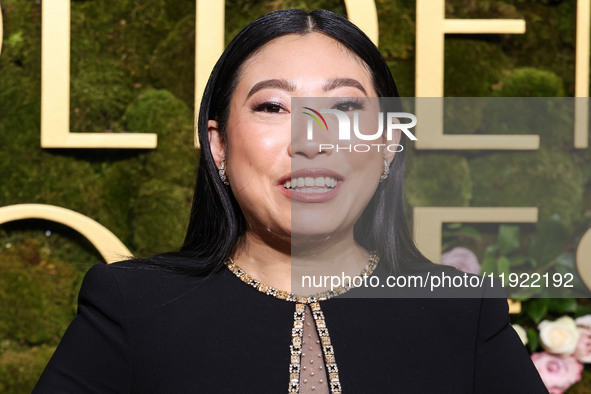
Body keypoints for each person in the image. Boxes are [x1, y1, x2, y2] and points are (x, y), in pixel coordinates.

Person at [32, 8, 548, 394]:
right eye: (274, 106)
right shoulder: (131, 305)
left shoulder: (461, 311)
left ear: (388, 143)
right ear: (218, 145)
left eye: (345, 105)